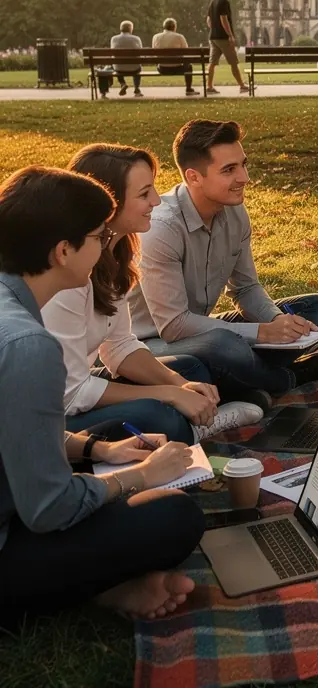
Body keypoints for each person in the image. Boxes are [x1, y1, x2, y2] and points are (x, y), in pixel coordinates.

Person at [0, 166, 204, 625]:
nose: (105, 245)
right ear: (63, 251)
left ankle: (106, 584)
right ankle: (101, 588)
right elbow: (51, 507)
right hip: (12, 537)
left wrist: (98, 448)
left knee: (118, 435)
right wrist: (142, 476)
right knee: (176, 516)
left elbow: (16, 428)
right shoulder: (28, 344)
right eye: (97, 236)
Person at [128, 120, 318, 398]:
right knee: (222, 346)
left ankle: (247, 378)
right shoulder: (162, 228)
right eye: (229, 170)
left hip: (201, 330)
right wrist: (263, 333)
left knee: (316, 309)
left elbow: (245, 289)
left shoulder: (234, 211)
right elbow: (174, 325)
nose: (244, 177)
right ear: (194, 177)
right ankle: (286, 379)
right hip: (147, 344)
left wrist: (280, 323)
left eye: (243, 165)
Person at [42, 144, 264, 445]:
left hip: (78, 383)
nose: (157, 200)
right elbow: (71, 393)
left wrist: (179, 384)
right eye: (144, 194)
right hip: (48, 410)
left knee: (190, 370)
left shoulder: (116, 253)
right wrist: (168, 394)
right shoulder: (69, 274)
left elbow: (119, 346)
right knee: (158, 416)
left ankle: (193, 418)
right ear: (108, 203)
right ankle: (193, 430)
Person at [206, 0, 246, 94]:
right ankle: (242, 86)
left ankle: (209, 86)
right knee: (234, 62)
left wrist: (215, 28)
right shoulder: (224, 1)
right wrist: (230, 35)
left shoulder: (213, 1)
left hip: (213, 37)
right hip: (223, 38)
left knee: (212, 63)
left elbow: (208, 20)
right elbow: (224, 19)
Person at [152, 18, 200, 97]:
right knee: (189, 66)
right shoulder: (179, 37)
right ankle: (188, 89)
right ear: (174, 27)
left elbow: (154, 52)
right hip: (177, 68)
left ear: (164, 26)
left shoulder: (156, 37)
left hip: (162, 69)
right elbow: (186, 51)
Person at [109, 20, 144, 98]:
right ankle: (137, 89)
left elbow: (113, 54)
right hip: (134, 69)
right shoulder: (136, 38)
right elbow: (140, 53)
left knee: (116, 65)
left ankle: (123, 84)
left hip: (119, 69)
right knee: (138, 66)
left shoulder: (114, 39)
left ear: (121, 28)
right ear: (130, 29)